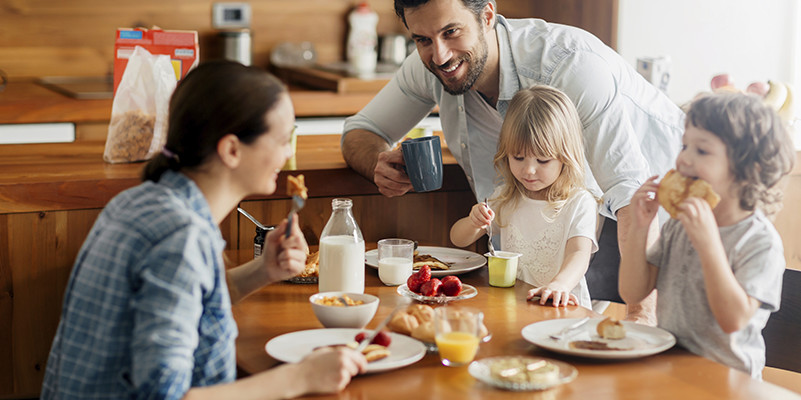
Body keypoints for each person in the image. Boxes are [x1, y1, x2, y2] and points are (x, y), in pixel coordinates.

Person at [340, 0, 685, 323]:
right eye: (422, 39)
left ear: (487, 16)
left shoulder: (570, 64)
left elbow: (630, 193)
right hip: (554, 245)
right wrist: (376, 163)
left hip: (666, 209)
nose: (440, 55)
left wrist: (642, 320)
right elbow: (362, 130)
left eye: (451, 32)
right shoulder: (430, 66)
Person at [41, 61, 367, 399]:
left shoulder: (139, 201)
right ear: (231, 150)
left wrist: (262, 271)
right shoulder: (181, 236)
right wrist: (299, 378)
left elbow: (186, 303)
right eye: (284, 139)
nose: (287, 154)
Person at [618, 93, 795, 378]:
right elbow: (633, 291)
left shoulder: (760, 242)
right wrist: (641, 227)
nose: (683, 158)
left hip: (728, 381)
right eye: (685, 145)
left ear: (745, 169)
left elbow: (733, 320)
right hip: (671, 370)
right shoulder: (678, 225)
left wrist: (709, 244)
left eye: (702, 151)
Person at [450, 85, 598, 307]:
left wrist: (560, 285)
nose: (529, 170)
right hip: (517, 304)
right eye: (518, 158)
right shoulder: (507, 197)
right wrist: (473, 222)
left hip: (562, 307)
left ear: (565, 157)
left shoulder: (579, 202)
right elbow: (458, 239)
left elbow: (579, 254)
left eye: (543, 160)